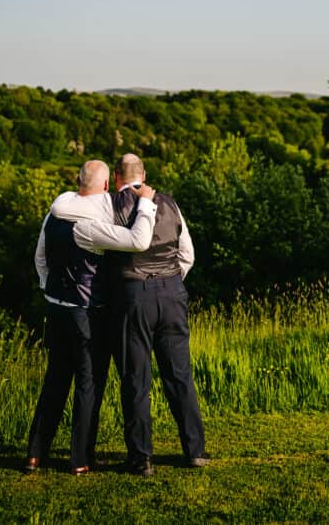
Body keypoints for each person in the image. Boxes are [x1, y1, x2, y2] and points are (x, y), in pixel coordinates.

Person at [25, 159, 158, 475]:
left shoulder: (54, 213)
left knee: (55, 379)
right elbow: (138, 240)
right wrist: (147, 206)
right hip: (87, 312)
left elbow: (40, 258)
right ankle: (80, 459)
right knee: (88, 384)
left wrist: (51, 291)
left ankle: (34, 454)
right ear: (106, 186)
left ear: (76, 180)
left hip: (56, 307)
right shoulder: (89, 225)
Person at [110, 153, 207, 475]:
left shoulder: (111, 205)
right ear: (144, 173)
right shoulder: (170, 203)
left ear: (116, 176)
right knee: (180, 375)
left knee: (137, 379)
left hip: (133, 295)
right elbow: (187, 253)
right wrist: (170, 281)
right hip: (172, 292)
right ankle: (195, 450)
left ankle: (142, 458)